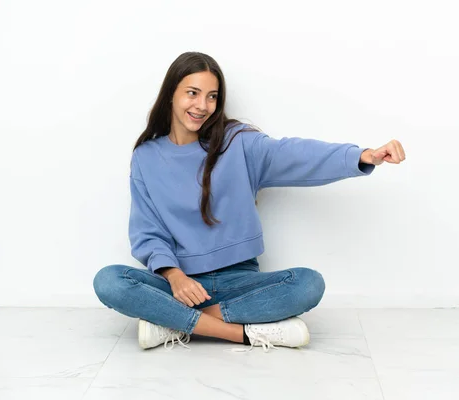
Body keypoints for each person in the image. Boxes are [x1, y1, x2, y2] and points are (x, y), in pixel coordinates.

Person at [92, 51, 406, 352]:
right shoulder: (146, 157)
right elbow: (148, 231)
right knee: (109, 281)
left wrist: (360, 156)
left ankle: (175, 323)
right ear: (171, 93)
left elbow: (294, 154)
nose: (203, 105)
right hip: (180, 285)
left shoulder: (236, 142)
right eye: (192, 93)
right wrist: (175, 277)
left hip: (239, 282)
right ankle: (239, 333)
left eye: (212, 96)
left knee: (308, 284)